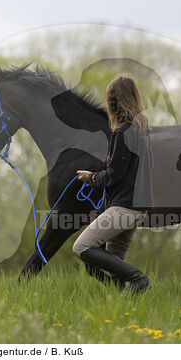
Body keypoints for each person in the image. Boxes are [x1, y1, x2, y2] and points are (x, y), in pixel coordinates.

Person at [74, 74, 153, 294]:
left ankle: (138, 280)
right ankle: (125, 292)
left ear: (115, 101)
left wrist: (91, 178)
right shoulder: (143, 131)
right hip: (138, 208)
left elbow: (113, 176)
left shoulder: (122, 133)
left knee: (81, 247)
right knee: (104, 264)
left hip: (123, 207)